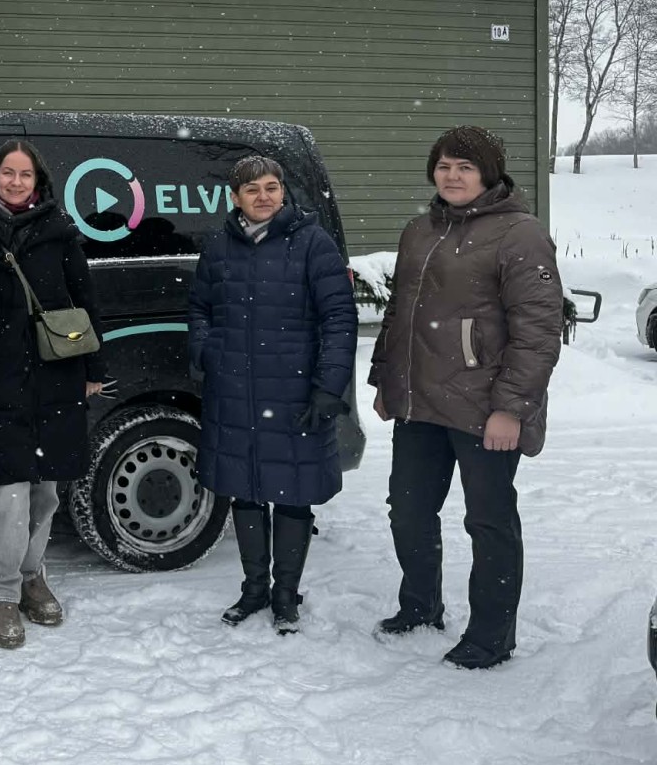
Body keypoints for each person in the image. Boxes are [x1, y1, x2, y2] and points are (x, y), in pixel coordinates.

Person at [368, 126, 563, 669]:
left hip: (485, 409)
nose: (452, 176)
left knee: (489, 521)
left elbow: (539, 331)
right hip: (420, 403)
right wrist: (386, 380)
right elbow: (399, 315)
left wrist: (510, 409)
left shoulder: (519, 234)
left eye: (465, 167)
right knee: (407, 511)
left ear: (489, 174)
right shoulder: (419, 229)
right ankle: (420, 605)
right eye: (444, 166)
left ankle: (490, 637)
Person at [187, 155, 357, 634]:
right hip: (234, 392)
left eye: (271, 187)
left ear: (283, 192)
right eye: (252, 189)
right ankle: (254, 588)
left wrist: (329, 387)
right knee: (244, 492)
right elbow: (200, 307)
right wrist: (204, 352)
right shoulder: (219, 246)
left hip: (294, 392)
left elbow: (339, 321)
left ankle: (286, 594)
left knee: (291, 493)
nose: (263, 197)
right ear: (235, 197)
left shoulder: (312, 244)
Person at [0, 140, 106, 649]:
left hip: (57, 375)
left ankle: (32, 576)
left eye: (26, 175)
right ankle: (1, 593)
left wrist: (93, 368)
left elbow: (84, 301)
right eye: (7, 173)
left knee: (46, 490)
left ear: (39, 182)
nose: (16, 182)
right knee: (9, 493)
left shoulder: (60, 232)